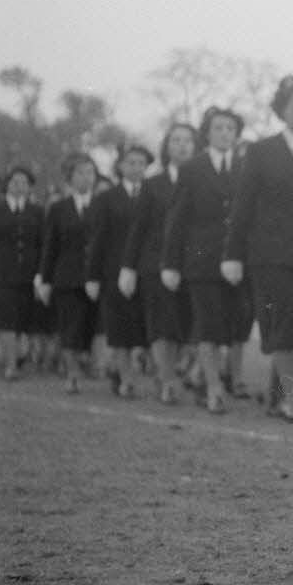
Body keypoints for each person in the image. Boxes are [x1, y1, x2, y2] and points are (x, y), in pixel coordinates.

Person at [221, 76, 293, 424]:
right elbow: (243, 207)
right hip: (270, 256)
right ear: (282, 111)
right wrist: (232, 254)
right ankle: (291, 398)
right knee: (283, 323)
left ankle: (276, 395)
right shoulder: (261, 151)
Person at [161, 106, 249, 414]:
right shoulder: (193, 169)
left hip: (238, 262)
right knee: (208, 324)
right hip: (201, 260)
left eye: (230, 128)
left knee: (232, 324)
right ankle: (214, 387)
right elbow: (177, 219)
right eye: (218, 128)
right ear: (207, 133)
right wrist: (170, 263)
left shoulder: (246, 166)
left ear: (237, 135)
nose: (225, 134)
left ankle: (202, 374)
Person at [122, 122, 198, 404]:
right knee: (162, 324)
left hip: (193, 264)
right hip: (155, 264)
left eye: (188, 141)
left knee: (186, 325)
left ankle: (175, 372)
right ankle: (166, 379)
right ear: (167, 147)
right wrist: (128, 268)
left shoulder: (204, 179)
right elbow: (138, 228)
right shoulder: (153, 184)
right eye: (176, 140)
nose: (182, 145)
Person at [86, 144, 153, 398]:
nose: (136, 168)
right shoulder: (106, 198)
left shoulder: (154, 193)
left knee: (143, 329)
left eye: (141, 163)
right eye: (131, 163)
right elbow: (97, 239)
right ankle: (126, 379)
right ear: (121, 166)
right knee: (120, 329)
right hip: (113, 272)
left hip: (145, 270)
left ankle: (131, 372)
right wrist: (92, 276)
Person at [36, 153, 100, 394]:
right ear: (70, 178)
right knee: (69, 326)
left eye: (90, 173)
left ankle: (90, 363)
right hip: (67, 277)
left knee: (91, 326)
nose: (86, 178)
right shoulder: (58, 208)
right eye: (81, 173)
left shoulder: (102, 204)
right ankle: (72, 373)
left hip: (96, 277)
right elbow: (50, 246)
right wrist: (44, 278)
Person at [0, 166, 44, 381]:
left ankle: (20, 357)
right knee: (7, 319)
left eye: (24, 182)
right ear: (8, 184)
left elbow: (44, 244)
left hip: (29, 274)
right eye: (15, 182)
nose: (19, 186)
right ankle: (10, 365)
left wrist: (41, 273)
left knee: (24, 318)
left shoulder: (37, 212)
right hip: (1, 274)